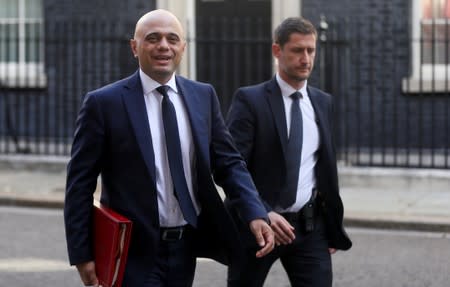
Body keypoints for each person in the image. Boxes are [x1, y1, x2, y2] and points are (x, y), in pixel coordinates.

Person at [64, 9, 274, 287]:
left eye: (172, 39)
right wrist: (82, 255)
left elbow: (229, 163)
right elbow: (79, 185)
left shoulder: (203, 96)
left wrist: (254, 211)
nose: (164, 45)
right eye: (153, 38)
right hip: (131, 252)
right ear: (134, 47)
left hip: (185, 247)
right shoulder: (104, 104)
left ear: (183, 48)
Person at [226, 17, 352, 287]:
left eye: (311, 50)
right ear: (277, 51)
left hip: (308, 228)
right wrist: (260, 212)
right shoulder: (250, 100)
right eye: (297, 50)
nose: (305, 58)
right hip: (257, 227)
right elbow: (232, 167)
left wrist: (330, 226)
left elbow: (324, 169)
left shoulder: (322, 102)